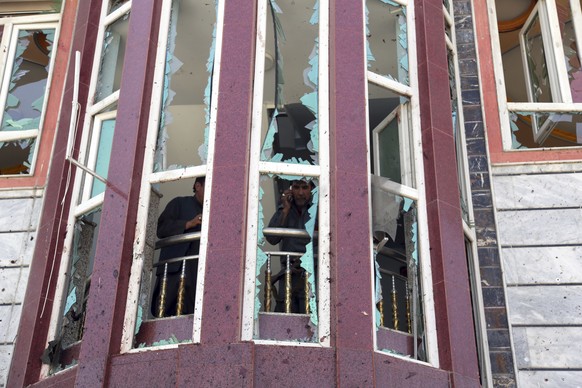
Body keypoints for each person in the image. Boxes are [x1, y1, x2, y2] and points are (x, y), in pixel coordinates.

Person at [151, 177, 205, 317]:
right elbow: (161, 229)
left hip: (197, 272)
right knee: (164, 311)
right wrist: (188, 224)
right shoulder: (179, 203)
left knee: (194, 315)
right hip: (174, 269)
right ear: (197, 186)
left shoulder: (214, 212)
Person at [266, 179, 316, 313]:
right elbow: (272, 238)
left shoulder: (319, 208)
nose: (300, 193)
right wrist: (285, 210)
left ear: (311, 188)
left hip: (312, 275)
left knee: (311, 324)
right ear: (291, 189)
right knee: (285, 323)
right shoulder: (286, 207)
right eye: (296, 187)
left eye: (304, 187)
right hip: (288, 274)